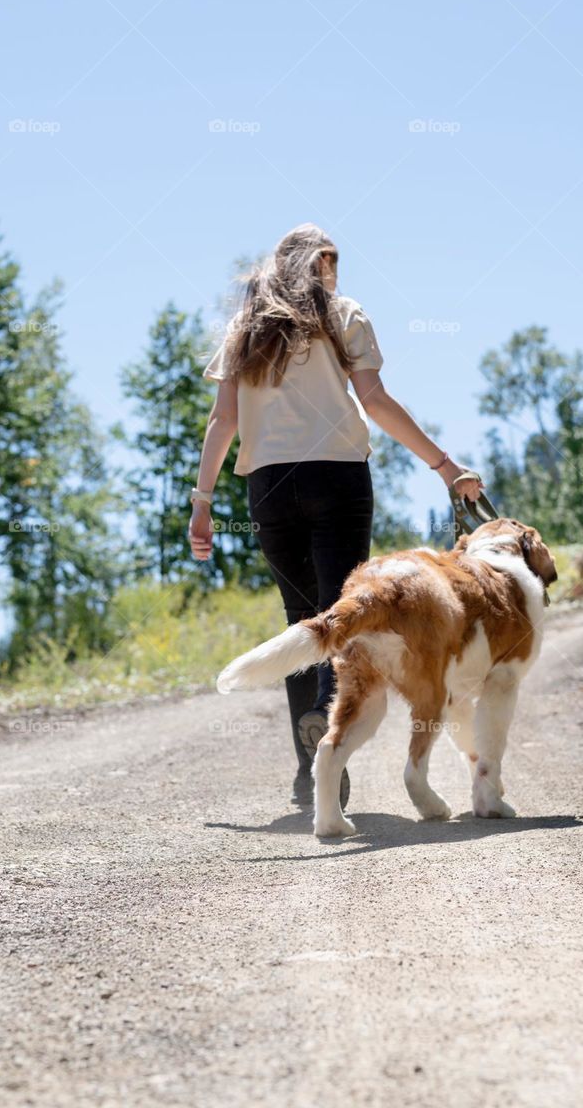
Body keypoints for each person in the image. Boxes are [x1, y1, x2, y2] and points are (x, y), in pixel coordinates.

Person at [189, 223, 483, 803]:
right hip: (337, 477)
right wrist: (445, 465)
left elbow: (223, 422)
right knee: (340, 617)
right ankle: (329, 742)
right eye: (333, 264)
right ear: (322, 263)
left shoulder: (245, 329)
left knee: (300, 613)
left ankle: (310, 769)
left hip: (268, 486)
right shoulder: (342, 312)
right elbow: (373, 401)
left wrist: (201, 505)